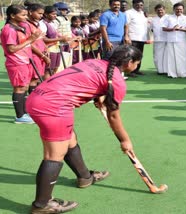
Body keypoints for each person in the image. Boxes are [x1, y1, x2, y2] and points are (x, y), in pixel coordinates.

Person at [26, 45, 142, 214]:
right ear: (130, 62)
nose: (136, 66)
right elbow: (114, 116)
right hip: (53, 106)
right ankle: (42, 205)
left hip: (38, 97)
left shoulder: (96, 62)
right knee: (54, 155)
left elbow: (88, 81)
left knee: (70, 139)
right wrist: (125, 140)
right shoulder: (117, 81)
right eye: (137, 63)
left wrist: (100, 95)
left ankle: (85, 177)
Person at [0, 4, 41, 124]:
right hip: (16, 63)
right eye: (22, 15)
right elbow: (11, 49)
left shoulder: (18, 27)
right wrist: (30, 39)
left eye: (25, 14)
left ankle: (24, 113)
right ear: (12, 15)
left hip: (24, 61)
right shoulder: (9, 29)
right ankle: (20, 116)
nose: (25, 16)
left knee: (24, 87)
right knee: (19, 88)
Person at [162, 2, 186, 78]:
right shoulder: (168, 18)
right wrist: (173, 29)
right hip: (171, 40)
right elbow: (164, 28)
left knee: (182, 57)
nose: (179, 10)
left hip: (182, 40)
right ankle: (172, 74)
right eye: (177, 9)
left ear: (183, 10)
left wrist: (182, 29)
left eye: (180, 9)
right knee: (171, 58)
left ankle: (183, 73)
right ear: (174, 9)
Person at [125, 0, 148, 77]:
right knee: (131, 55)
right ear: (133, 4)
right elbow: (126, 25)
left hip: (141, 38)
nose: (139, 6)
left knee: (139, 55)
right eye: (137, 5)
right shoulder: (128, 13)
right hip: (133, 38)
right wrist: (127, 36)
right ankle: (130, 71)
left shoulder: (142, 13)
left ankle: (137, 69)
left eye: (141, 5)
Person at [150, 4, 168, 75]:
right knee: (157, 56)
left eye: (161, 10)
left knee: (167, 56)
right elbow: (151, 29)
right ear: (155, 11)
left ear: (164, 10)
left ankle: (166, 70)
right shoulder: (153, 19)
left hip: (167, 40)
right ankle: (160, 70)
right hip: (157, 40)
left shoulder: (169, 18)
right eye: (158, 10)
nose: (160, 11)